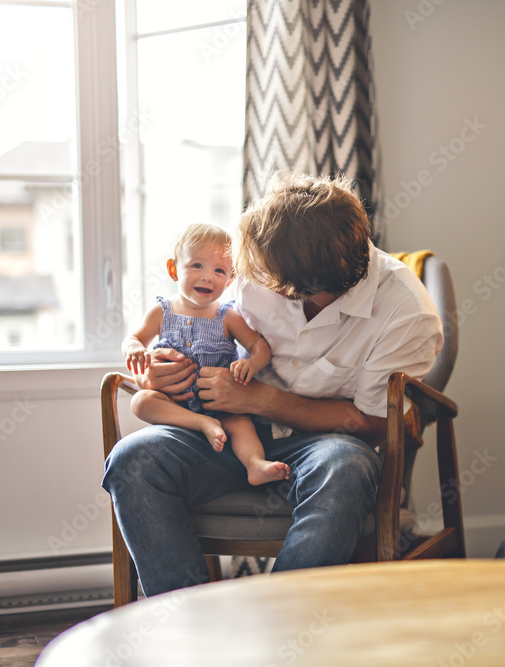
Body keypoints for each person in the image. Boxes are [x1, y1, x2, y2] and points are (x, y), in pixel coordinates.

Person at [102, 172, 444, 596]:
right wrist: (158, 371)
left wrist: (260, 398)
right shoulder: (256, 259)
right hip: (220, 430)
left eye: (265, 273)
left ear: (305, 286)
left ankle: (281, 622)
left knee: (347, 468)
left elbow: (374, 422)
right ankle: (185, 625)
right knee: (133, 459)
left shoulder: (406, 314)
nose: (246, 275)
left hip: (321, 443)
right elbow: (189, 318)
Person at [122, 223, 291, 486]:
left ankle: (254, 464)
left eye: (219, 270)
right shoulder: (161, 312)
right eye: (196, 266)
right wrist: (134, 349)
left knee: (241, 423)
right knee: (141, 401)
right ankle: (199, 422)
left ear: (230, 279)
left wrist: (251, 363)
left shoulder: (228, 316)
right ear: (173, 269)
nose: (207, 277)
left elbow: (260, 346)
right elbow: (134, 338)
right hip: (175, 408)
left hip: (221, 407)